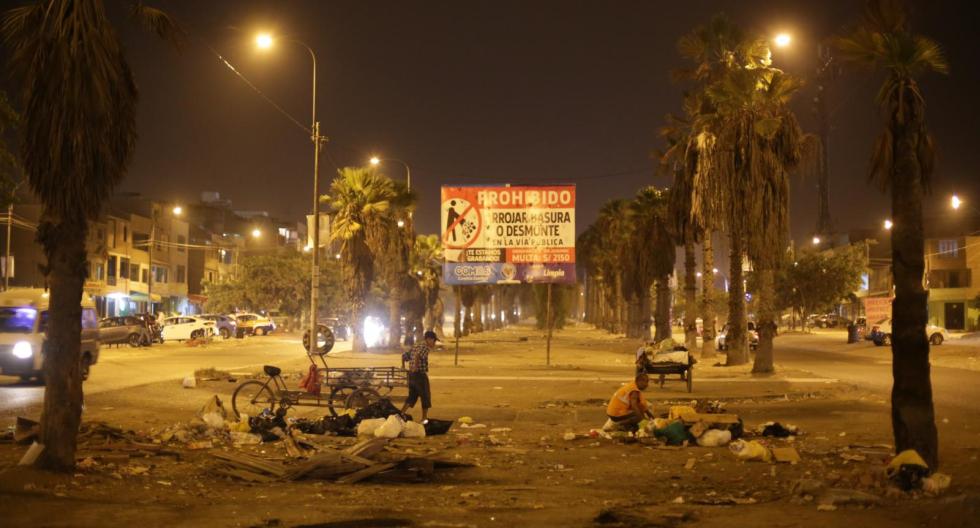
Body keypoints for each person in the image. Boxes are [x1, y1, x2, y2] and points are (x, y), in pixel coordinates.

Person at [401, 329, 437, 422]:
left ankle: (401, 413)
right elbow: (418, 355)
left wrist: (403, 366)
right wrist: (416, 367)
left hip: (411, 375)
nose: (434, 343)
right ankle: (424, 418)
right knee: (425, 396)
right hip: (419, 375)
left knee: (412, 396)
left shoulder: (416, 345)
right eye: (434, 340)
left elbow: (404, 356)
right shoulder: (425, 347)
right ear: (429, 339)